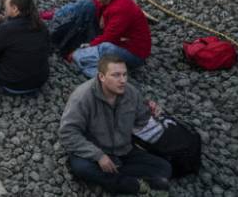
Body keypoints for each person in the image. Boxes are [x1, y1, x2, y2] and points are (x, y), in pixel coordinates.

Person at [60, 55, 173, 194]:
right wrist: (98, 156)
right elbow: (68, 133)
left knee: (165, 168)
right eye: (116, 75)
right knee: (82, 167)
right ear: (101, 77)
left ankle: (106, 180)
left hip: (124, 150)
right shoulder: (82, 97)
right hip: (94, 151)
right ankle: (132, 185)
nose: (123, 80)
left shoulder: (132, 93)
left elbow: (141, 121)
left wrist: (152, 111)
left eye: (125, 74)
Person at [46, 0, 151, 78]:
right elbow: (89, 4)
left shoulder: (121, 9)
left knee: (105, 47)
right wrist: (57, 14)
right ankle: (80, 53)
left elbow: (109, 38)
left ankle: (97, 72)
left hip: (134, 53)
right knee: (87, 6)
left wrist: (89, 45)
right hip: (120, 40)